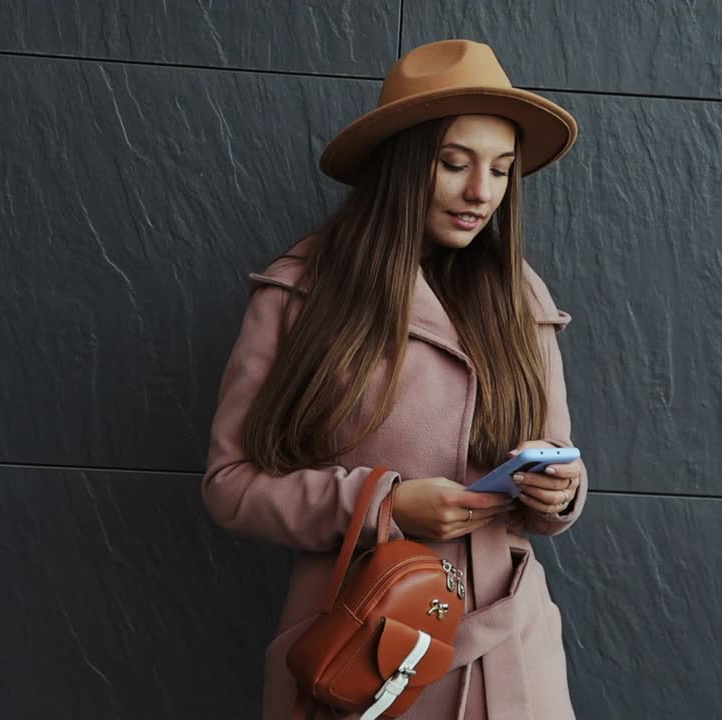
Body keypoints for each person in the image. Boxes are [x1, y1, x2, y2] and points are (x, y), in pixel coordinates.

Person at [201, 39, 588, 720]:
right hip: (367, 652)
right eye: (454, 164)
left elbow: (554, 475)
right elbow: (230, 487)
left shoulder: (520, 296)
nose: (481, 193)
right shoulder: (301, 294)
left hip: (511, 661)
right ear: (404, 164)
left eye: (501, 171)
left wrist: (558, 490)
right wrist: (385, 506)